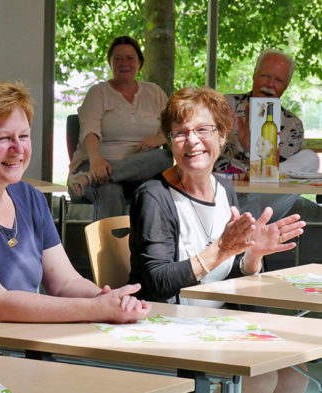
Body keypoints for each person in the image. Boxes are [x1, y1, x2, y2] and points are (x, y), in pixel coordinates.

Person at [0, 81, 151, 352]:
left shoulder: (30, 198)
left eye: (24, 136)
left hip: (20, 351)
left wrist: (108, 299)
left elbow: (65, 283)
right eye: (2, 138)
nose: (18, 149)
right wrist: (96, 308)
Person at [129, 87, 308, 393]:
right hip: (172, 327)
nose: (192, 140)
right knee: (263, 378)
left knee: (296, 373)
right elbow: (156, 282)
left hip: (218, 321)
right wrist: (222, 249)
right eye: (180, 133)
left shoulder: (223, 189)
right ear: (170, 142)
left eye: (203, 130)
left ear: (223, 135)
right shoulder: (154, 196)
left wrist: (252, 256)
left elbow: (226, 275)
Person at [67, 36, 172, 220]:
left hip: (140, 171)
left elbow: (173, 126)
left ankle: (90, 177)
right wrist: (96, 160)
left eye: (130, 58)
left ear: (139, 62)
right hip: (95, 163)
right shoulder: (98, 92)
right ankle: (110, 249)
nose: (124, 63)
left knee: (165, 157)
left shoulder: (154, 92)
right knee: (110, 189)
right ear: (110, 63)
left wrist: (159, 139)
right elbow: (89, 130)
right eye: (118, 58)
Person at [215, 49, 318, 222]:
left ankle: (245, 222)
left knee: (310, 158)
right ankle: (243, 222)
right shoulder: (225, 105)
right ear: (254, 75)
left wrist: (251, 150)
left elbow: (275, 180)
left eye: (278, 80)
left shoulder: (292, 124)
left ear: (286, 85)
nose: (270, 84)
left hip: (263, 202)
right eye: (265, 76)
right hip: (222, 196)